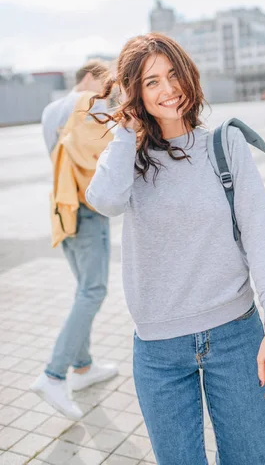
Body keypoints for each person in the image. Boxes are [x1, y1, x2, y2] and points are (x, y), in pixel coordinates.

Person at [86, 33, 265, 465]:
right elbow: (103, 201)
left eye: (173, 74)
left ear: (189, 74)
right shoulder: (129, 158)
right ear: (135, 93)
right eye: (151, 82)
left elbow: (260, 235)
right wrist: (126, 128)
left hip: (237, 336)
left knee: (253, 458)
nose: (168, 89)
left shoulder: (225, 143)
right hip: (159, 350)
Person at [30, 60, 118, 420]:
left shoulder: (51, 110)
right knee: (93, 291)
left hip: (62, 208)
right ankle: (54, 374)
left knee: (84, 287)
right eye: (107, 82)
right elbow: (103, 155)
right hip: (87, 207)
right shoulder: (89, 104)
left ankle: (83, 368)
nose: (108, 92)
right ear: (91, 77)